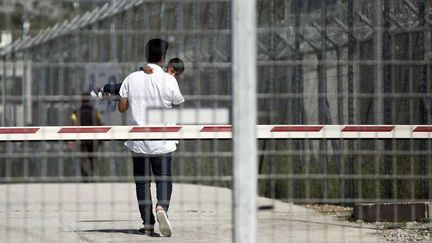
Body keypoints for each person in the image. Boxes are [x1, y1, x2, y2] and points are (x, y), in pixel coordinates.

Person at [118, 38, 184, 237]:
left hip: (138, 141)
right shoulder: (169, 79)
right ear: (163, 58)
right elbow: (177, 103)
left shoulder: (131, 78)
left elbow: (122, 108)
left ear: (146, 55)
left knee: (142, 182)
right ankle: (161, 206)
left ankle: (147, 223)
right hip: (162, 140)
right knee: (164, 178)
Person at [91, 57, 185, 100]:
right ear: (168, 66)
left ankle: (104, 96)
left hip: (142, 94)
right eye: (172, 71)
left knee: (124, 98)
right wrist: (143, 69)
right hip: (138, 84)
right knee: (119, 87)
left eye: (176, 75)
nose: (173, 75)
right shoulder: (159, 70)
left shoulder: (171, 83)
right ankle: (103, 88)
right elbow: (143, 68)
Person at [70, 93, 102, 182]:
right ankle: (92, 174)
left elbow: (73, 125)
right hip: (93, 138)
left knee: (83, 158)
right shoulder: (95, 112)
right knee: (93, 157)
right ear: (89, 100)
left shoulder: (75, 113)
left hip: (81, 138)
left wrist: (72, 140)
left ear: (81, 101)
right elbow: (99, 123)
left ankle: (85, 177)